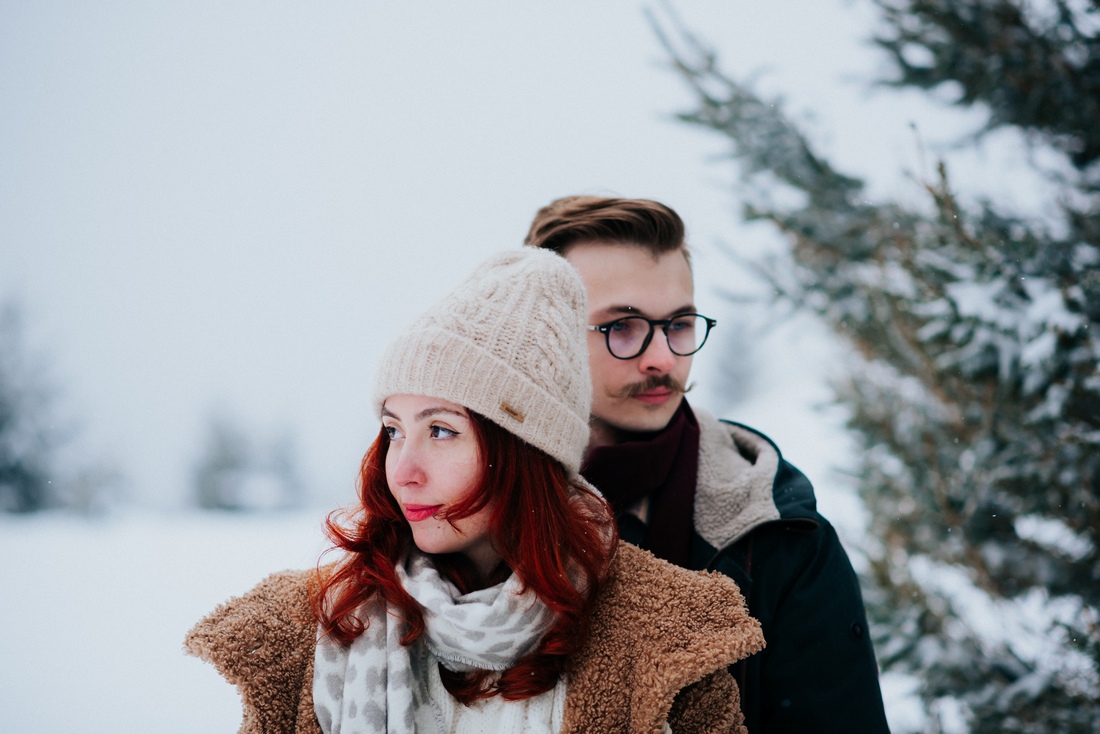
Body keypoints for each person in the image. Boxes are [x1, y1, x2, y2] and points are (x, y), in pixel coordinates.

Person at [185, 248, 765, 734]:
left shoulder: (664, 635)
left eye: (441, 430)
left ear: (525, 453)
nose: (402, 469)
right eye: (393, 430)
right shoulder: (312, 629)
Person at [525, 196, 891, 734]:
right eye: (623, 327)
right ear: (544, 335)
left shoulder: (782, 543)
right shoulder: (462, 518)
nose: (663, 359)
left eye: (678, 324)